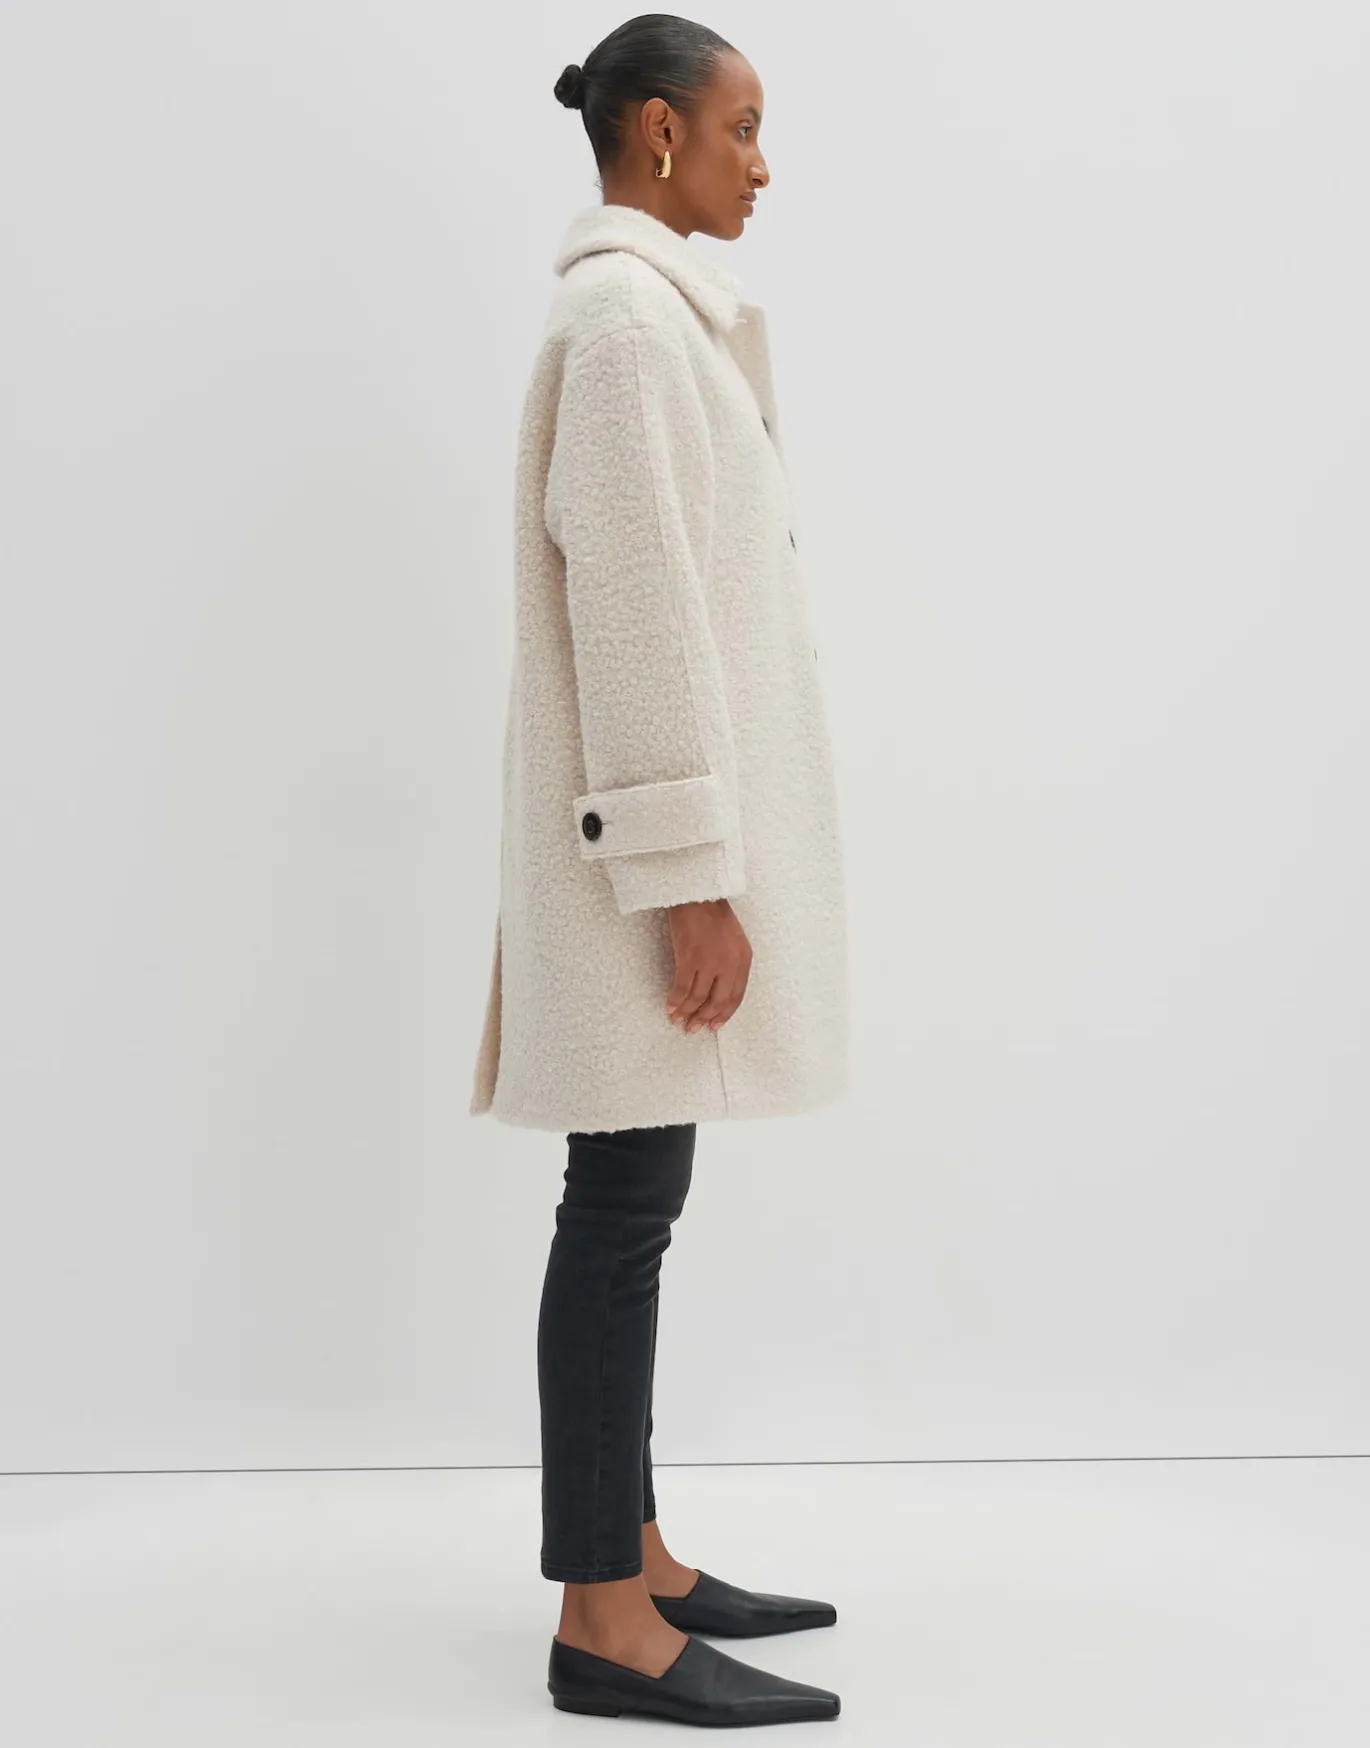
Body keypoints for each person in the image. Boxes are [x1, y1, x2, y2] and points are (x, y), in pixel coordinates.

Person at [470, 13, 850, 1727]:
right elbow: (630, 609)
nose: (763, 163)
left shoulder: (658, 317)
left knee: (631, 1208)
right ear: (655, 130)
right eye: (741, 127)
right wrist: (691, 873)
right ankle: (601, 1621)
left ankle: (632, 1549)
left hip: (651, 844)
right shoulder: (628, 322)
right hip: (643, 860)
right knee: (617, 1217)